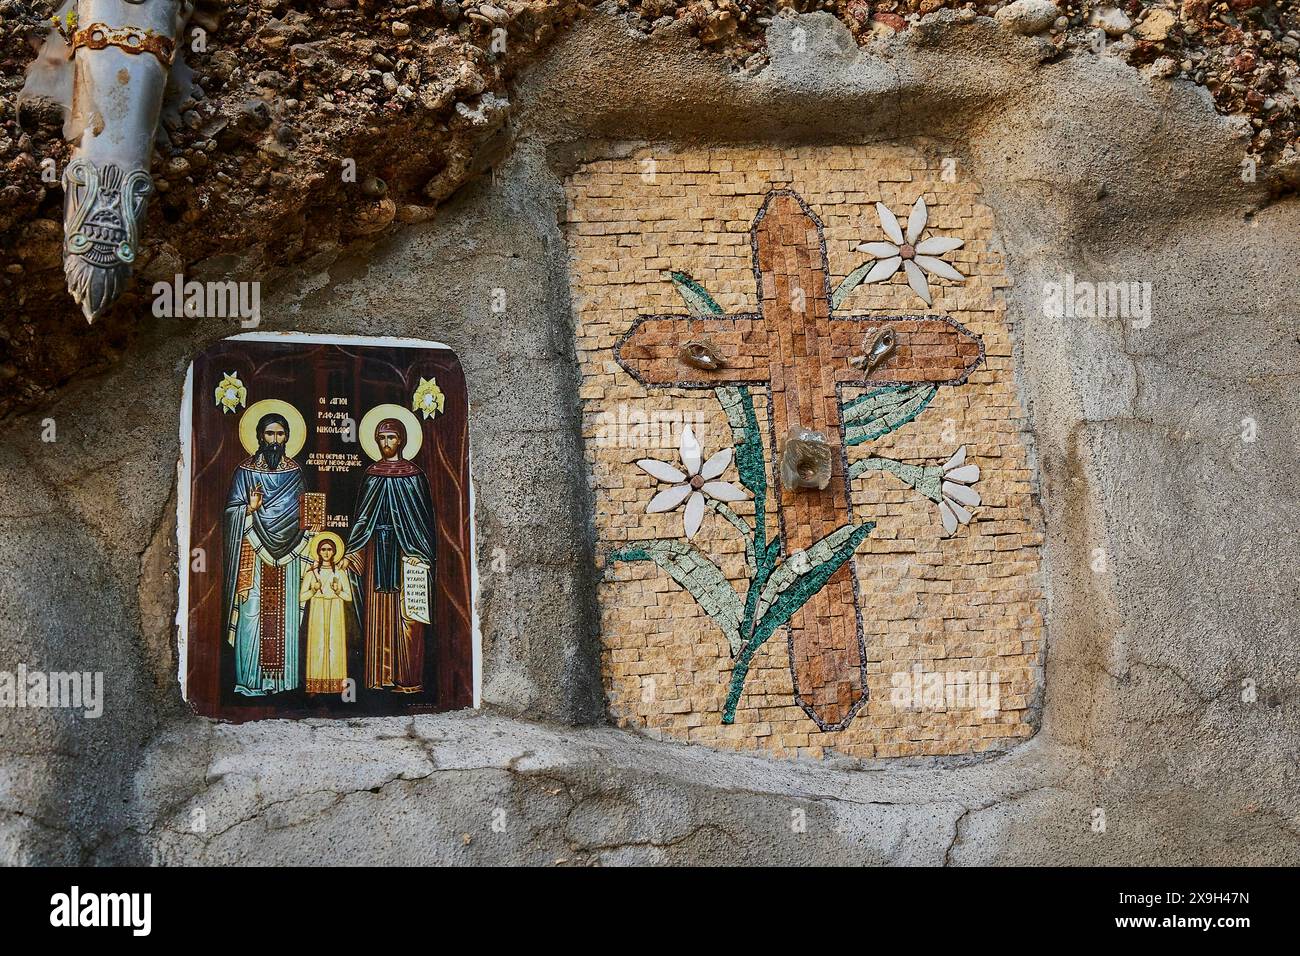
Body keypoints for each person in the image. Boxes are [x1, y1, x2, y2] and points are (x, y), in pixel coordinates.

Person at [346, 418, 436, 693]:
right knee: (378, 613)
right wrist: (352, 552)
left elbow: (422, 524)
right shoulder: (372, 475)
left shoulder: (414, 476)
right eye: (381, 438)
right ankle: (379, 676)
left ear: (402, 440)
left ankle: (407, 680)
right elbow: (362, 520)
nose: (386, 444)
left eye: (391, 438)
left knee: (408, 617)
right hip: (376, 556)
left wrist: (420, 554)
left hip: (407, 556)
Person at [221, 412, 309, 696]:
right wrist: (249, 508)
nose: (274, 440)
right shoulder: (244, 471)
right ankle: (249, 681)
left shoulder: (295, 472)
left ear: (287, 438)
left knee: (285, 613)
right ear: (259, 436)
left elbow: (304, 513)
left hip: (291, 554)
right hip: (253, 548)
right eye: (269, 434)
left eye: (280, 434)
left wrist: (313, 523)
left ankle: (282, 682)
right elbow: (229, 513)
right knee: (252, 614)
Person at [300, 537, 352, 695]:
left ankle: (337, 685)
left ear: (334, 551)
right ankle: (315, 686)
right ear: (318, 551)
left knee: (334, 646)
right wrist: (314, 590)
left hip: (336, 609)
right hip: (317, 609)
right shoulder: (312, 573)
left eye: (329, 549)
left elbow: (349, 596)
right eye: (323, 549)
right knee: (318, 646)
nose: (326, 552)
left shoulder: (340, 573)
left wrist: (337, 591)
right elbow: (301, 596)